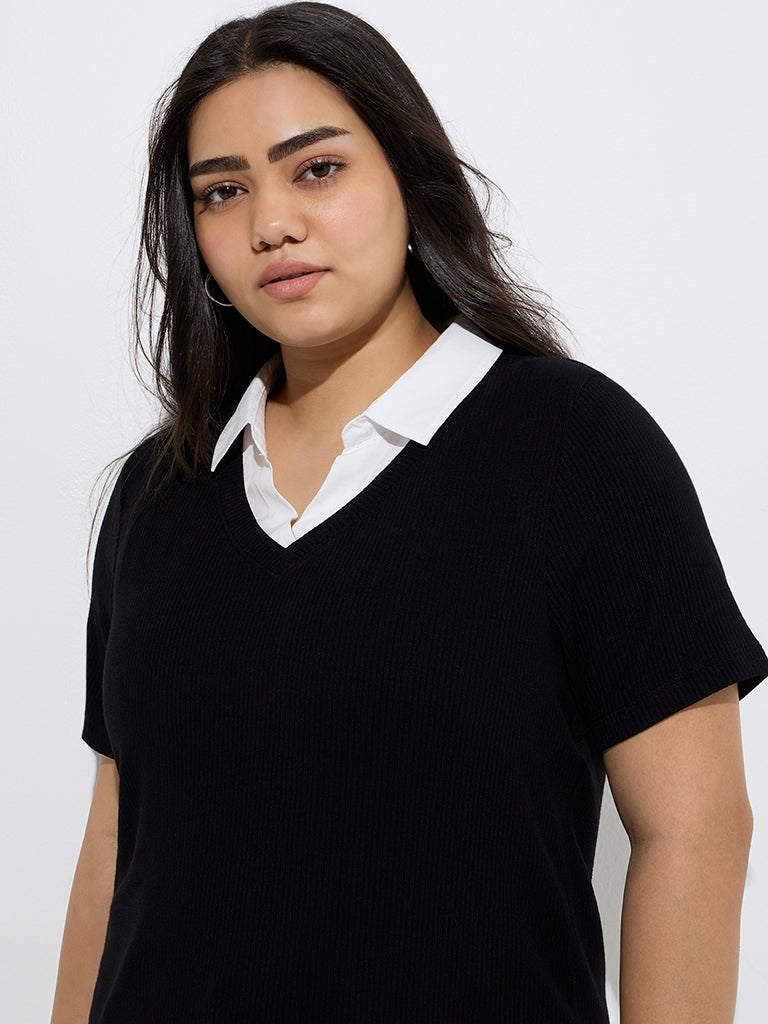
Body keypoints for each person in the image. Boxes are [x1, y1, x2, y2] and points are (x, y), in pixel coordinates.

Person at [50, 4, 767, 1022]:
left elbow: (694, 829)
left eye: (317, 169)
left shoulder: (577, 449)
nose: (271, 224)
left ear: (408, 175)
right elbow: (119, 836)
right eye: (223, 191)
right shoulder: (160, 491)